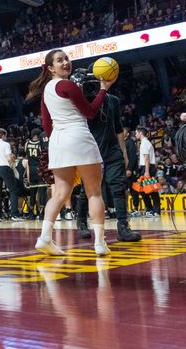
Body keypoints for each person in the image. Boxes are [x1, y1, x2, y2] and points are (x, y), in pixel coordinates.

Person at [26, 49, 114, 256]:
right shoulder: (68, 85)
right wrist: (103, 89)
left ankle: (45, 238)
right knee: (94, 192)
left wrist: (55, 145)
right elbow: (90, 112)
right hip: (78, 136)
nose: (65, 62)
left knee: (59, 193)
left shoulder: (46, 89)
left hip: (58, 140)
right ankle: (100, 243)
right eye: (59, 60)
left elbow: (47, 123)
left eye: (66, 58)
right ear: (50, 68)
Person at [70, 69, 141, 242]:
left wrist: (123, 152)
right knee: (86, 191)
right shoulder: (80, 101)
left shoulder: (113, 101)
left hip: (111, 151)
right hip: (89, 151)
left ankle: (123, 227)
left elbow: (118, 128)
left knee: (118, 186)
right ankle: (81, 223)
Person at [0, 128, 21, 221]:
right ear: (3, 136)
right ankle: (14, 215)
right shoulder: (6, 144)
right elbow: (9, 158)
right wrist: (13, 158)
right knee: (13, 190)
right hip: (4, 167)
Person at [135, 127, 160, 217]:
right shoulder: (145, 143)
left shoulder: (144, 143)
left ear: (140, 133)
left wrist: (146, 171)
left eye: (136, 133)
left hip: (147, 168)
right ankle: (150, 209)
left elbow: (147, 158)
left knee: (152, 190)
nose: (135, 135)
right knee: (143, 190)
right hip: (146, 167)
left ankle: (155, 210)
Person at [24, 129, 48, 219]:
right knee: (42, 192)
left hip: (31, 169)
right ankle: (41, 213)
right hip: (40, 169)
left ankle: (31, 213)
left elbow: (27, 158)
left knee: (32, 192)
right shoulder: (40, 144)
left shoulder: (26, 144)